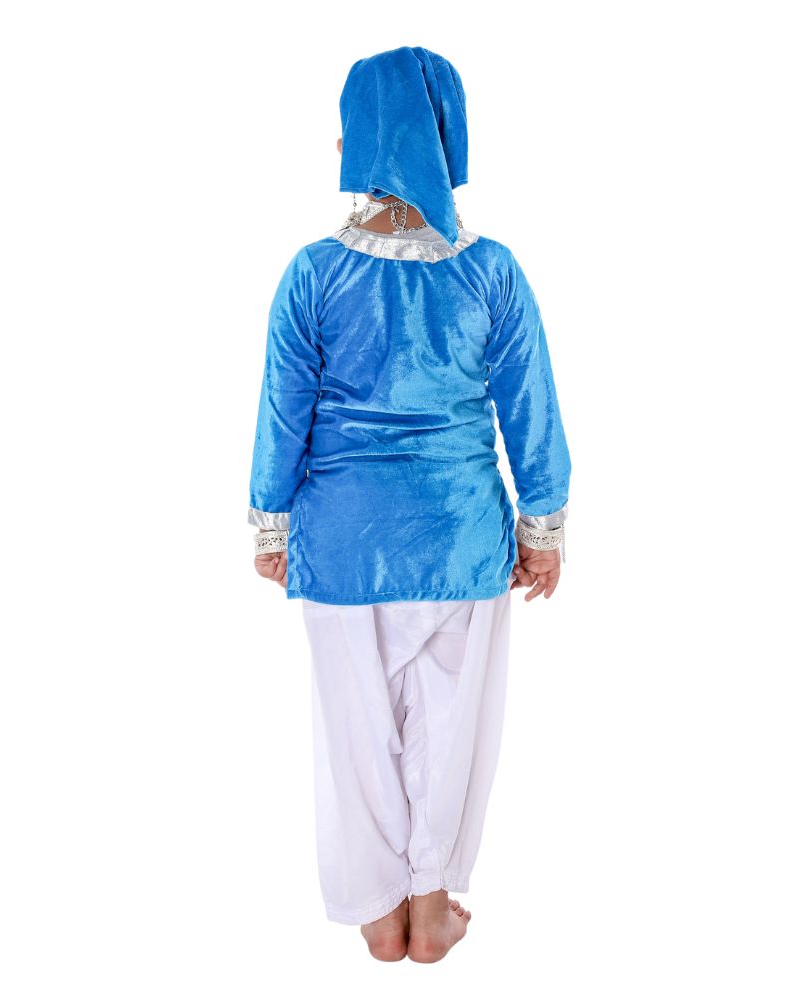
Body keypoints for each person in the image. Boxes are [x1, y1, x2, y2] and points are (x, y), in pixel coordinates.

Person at [247, 46, 571, 963]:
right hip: (461, 538)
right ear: (448, 140)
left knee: (356, 729)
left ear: (353, 144)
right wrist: (542, 527)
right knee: (451, 724)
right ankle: (431, 906)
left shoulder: (314, 273)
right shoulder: (490, 271)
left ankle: (376, 912)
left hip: (342, 541)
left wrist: (271, 522)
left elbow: (283, 412)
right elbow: (531, 408)